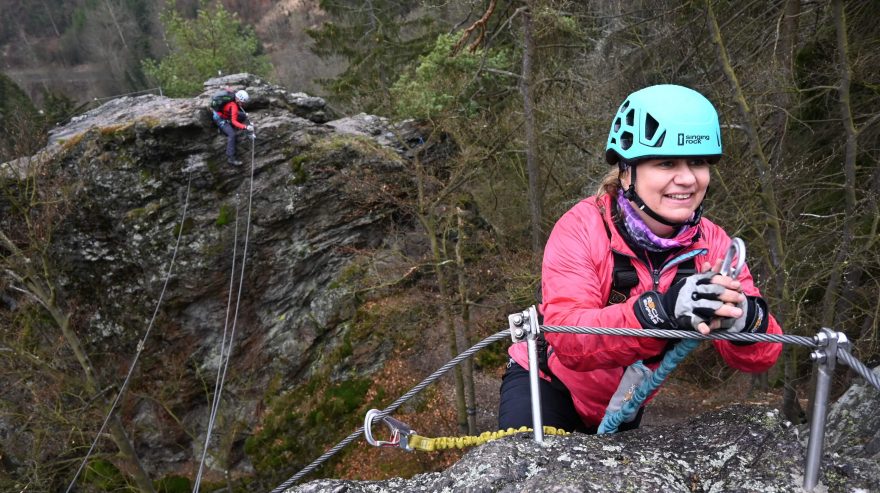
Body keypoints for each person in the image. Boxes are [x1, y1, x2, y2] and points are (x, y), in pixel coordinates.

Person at [498, 84, 782, 433]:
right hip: (545, 386)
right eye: (666, 163)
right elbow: (570, 339)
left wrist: (747, 322)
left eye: (698, 162)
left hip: (625, 401)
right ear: (627, 171)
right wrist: (659, 312)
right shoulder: (582, 228)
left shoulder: (713, 243)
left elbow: (762, 356)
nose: (688, 179)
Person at [213, 89, 254, 166]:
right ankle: (231, 158)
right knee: (232, 135)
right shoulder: (233, 105)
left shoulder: (233, 96)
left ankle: (226, 127)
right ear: (239, 99)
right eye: (242, 102)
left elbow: (227, 89)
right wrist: (245, 127)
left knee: (243, 115)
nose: (242, 104)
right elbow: (234, 122)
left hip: (224, 112)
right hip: (219, 118)